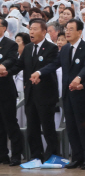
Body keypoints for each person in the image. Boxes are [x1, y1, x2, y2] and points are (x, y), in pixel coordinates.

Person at [34, 18, 85, 170]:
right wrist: (39, 72)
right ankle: (77, 157)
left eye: (70, 29)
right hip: (67, 95)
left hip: (81, 94)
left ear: (79, 32)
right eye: (66, 29)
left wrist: (79, 77)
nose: (67, 32)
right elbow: (54, 64)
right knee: (71, 127)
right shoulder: (66, 49)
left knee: (84, 126)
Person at [3, 19, 59, 165]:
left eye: (35, 29)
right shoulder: (28, 48)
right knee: (32, 128)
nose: (31, 32)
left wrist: (40, 73)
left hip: (46, 94)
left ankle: (52, 155)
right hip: (30, 94)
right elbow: (19, 65)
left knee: (47, 127)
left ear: (44, 31)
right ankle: (35, 156)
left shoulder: (51, 48)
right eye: (30, 29)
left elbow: (52, 66)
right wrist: (7, 72)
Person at [0, 18, 24, 166]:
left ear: (3, 28)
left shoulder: (10, 44)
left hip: (5, 90)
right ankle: (2, 154)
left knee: (10, 123)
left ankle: (16, 154)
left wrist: (2, 66)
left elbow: (11, 60)